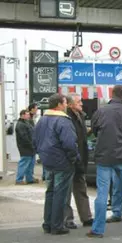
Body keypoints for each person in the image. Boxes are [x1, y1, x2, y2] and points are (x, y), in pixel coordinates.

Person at [87, 85, 122, 238]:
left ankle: (98, 229)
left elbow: (95, 131)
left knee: (102, 193)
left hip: (104, 156)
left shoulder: (101, 111)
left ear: (112, 94)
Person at [33, 93, 79, 235]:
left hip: (47, 161)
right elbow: (70, 143)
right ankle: (57, 225)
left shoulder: (42, 120)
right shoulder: (63, 120)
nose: (66, 105)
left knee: (50, 192)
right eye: (65, 103)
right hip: (62, 162)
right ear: (59, 104)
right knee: (60, 193)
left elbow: (34, 140)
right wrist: (73, 158)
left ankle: (48, 223)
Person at [64, 93, 93, 229]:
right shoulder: (66, 118)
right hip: (69, 159)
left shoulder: (80, 116)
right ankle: (67, 219)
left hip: (81, 158)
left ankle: (86, 217)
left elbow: (81, 136)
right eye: (78, 102)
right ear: (70, 104)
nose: (81, 104)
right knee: (67, 191)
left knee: (81, 188)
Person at [15, 110, 38, 185]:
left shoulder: (26, 123)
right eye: (27, 114)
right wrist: (31, 145)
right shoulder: (20, 125)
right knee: (24, 163)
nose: (28, 115)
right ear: (22, 115)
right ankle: (19, 180)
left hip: (31, 147)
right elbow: (24, 137)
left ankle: (29, 178)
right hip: (25, 147)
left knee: (31, 163)